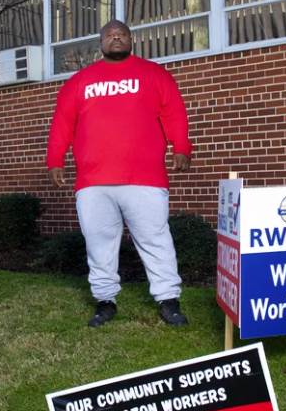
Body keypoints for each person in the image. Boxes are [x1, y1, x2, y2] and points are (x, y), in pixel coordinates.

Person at [46, 20, 192, 327]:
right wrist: (54, 159)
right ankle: (105, 301)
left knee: (155, 239)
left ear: (131, 40)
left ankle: (168, 301)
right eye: (110, 35)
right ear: (100, 43)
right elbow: (62, 123)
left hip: (145, 178)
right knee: (99, 243)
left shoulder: (154, 74)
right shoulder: (79, 81)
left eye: (122, 34)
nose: (116, 38)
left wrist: (182, 146)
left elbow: (174, 111)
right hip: (93, 181)